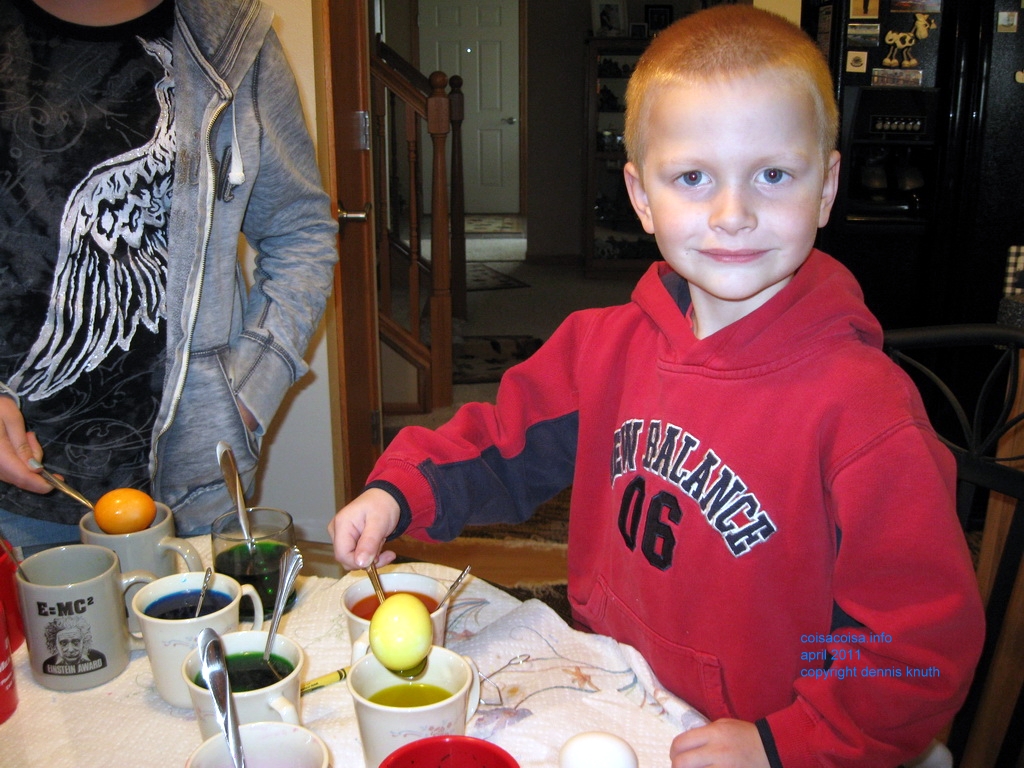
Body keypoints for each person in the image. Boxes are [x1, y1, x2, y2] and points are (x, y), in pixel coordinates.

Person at [329, 6, 983, 767]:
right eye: (693, 177)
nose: (733, 214)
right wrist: (401, 490)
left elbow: (915, 647)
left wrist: (788, 743)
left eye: (773, 175)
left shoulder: (868, 413)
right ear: (641, 197)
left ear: (827, 186)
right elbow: (503, 444)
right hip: (614, 691)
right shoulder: (601, 346)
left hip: (767, 737)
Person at [0, 0, 338, 550]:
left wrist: (249, 390)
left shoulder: (233, 41)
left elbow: (299, 229)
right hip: (17, 501)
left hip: (197, 490)